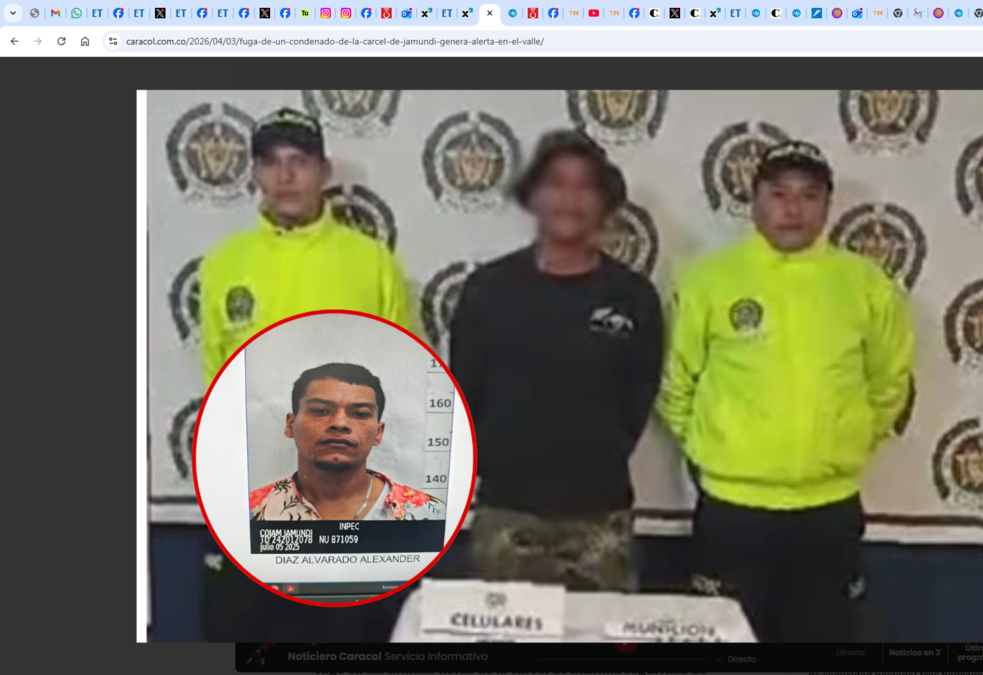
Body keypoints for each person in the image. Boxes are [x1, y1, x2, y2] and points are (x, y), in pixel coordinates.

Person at [657, 140, 916, 642]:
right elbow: (675, 380)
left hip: (829, 509)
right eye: (778, 194)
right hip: (733, 509)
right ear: (754, 200)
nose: (793, 209)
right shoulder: (709, 280)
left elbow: (890, 381)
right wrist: (719, 445)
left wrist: (848, 437)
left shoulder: (865, 284)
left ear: (828, 204)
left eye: (809, 195)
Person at [449, 130, 664, 592]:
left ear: (605, 202)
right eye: (556, 183)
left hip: (600, 515)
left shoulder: (633, 296)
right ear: (532, 196)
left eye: (585, 186)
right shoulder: (489, 290)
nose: (570, 199)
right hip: (507, 513)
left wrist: (597, 456)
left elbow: (638, 397)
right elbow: (465, 390)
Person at [198, 108, 416, 384]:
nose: (285, 176)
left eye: (299, 161)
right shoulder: (222, 264)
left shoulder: (374, 263)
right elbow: (216, 380)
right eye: (271, 163)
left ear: (324, 172)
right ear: (255, 174)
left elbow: (401, 376)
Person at [249, 363, 443, 521]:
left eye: (360, 414)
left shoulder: (429, 514)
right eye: (320, 411)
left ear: (378, 433)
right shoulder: (250, 513)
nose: (339, 423)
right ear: (290, 425)